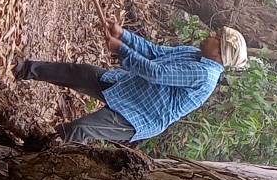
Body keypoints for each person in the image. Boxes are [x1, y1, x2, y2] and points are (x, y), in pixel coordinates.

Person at [13, 20, 248, 144]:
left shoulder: (205, 75)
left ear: (220, 53)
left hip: (136, 117)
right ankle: (24, 69)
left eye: (216, 38)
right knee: (80, 73)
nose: (210, 36)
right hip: (127, 88)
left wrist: (122, 50)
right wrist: (123, 35)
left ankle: (33, 151)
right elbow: (155, 52)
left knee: (79, 130)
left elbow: (156, 73)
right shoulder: (194, 54)